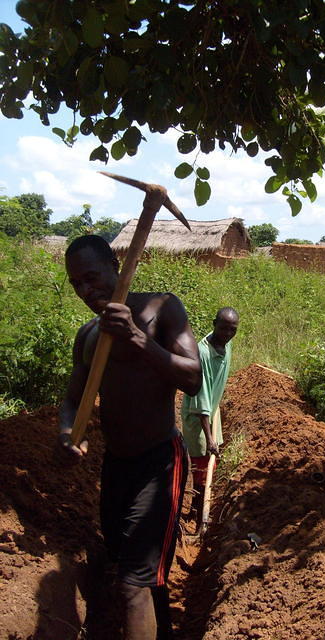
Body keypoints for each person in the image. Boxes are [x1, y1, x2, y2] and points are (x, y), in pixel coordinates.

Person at [58, 235, 202, 640]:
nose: (86, 291)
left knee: (133, 583)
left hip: (159, 464)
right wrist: (67, 433)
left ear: (115, 266)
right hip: (115, 468)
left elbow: (193, 379)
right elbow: (72, 400)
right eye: (77, 285)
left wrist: (139, 340)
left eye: (91, 277)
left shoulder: (162, 309)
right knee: (131, 569)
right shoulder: (88, 336)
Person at [181, 307, 239, 526]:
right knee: (202, 464)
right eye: (223, 328)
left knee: (209, 463)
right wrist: (210, 438)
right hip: (198, 417)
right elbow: (201, 399)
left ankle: (199, 508)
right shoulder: (202, 354)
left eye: (232, 329)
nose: (227, 333)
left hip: (211, 412)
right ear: (214, 323)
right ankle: (197, 513)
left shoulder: (226, 344)